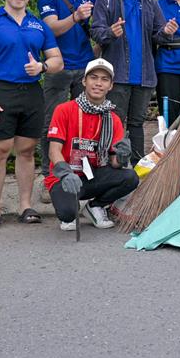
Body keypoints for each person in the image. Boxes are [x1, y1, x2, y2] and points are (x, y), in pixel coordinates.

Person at [0, 0, 64, 230]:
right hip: (0, 91)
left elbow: (57, 60)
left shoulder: (39, 25)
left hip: (32, 93)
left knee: (25, 151)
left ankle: (25, 205)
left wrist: (42, 68)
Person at [90, 0, 175, 164]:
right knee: (114, 122)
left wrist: (167, 32)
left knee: (137, 124)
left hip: (144, 75)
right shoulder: (107, 0)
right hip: (117, 75)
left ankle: (137, 170)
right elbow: (96, 31)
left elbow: (159, 36)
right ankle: (112, 169)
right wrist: (111, 32)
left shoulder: (149, 2)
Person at [46, 58, 139, 232]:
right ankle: (70, 204)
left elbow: (114, 164)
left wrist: (122, 156)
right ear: (84, 81)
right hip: (65, 177)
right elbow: (54, 150)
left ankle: (96, 206)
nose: (98, 83)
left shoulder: (113, 119)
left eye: (104, 79)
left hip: (92, 175)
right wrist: (65, 173)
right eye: (93, 78)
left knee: (130, 177)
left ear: (110, 86)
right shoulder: (64, 110)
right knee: (67, 215)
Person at [37, 0, 99, 174]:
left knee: (85, 123)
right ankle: (50, 175)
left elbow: (99, 32)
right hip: (58, 68)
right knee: (53, 124)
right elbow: (51, 27)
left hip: (85, 68)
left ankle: (81, 172)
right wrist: (75, 17)